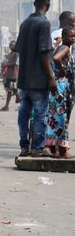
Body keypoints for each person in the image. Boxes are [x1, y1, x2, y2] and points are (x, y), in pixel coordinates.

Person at [15, 0, 56, 158]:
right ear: (48, 4)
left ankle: (24, 147)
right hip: (39, 80)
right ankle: (37, 148)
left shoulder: (25, 23)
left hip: (24, 80)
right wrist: (51, 77)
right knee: (40, 114)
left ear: (34, 3)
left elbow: (18, 49)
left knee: (24, 114)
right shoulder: (44, 23)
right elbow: (44, 53)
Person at [43, 26, 74, 158]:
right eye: (70, 36)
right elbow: (56, 59)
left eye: (74, 36)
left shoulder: (62, 47)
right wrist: (61, 69)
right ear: (65, 36)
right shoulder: (65, 48)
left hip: (58, 86)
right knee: (62, 118)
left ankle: (56, 148)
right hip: (62, 86)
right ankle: (62, 149)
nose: (73, 39)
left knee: (55, 117)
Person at [0, 41, 20, 111]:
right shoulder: (11, 53)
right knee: (10, 90)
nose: (11, 46)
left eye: (13, 45)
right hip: (9, 75)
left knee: (13, 89)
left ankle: (19, 103)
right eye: (10, 45)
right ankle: (7, 105)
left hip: (14, 75)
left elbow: (16, 63)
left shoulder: (16, 54)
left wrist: (8, 64)